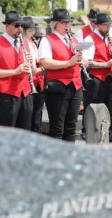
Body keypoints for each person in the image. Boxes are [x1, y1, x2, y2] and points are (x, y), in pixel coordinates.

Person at [38, 8, 88, 142]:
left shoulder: (75, 41)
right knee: (57, 127)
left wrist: (82, 58)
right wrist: (68, 62)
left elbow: (86, 63)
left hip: (75, 86)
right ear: (55, 24)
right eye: (64, 23)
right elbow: (45, 62)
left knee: (71, 127)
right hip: (58, 87)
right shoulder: (47, 40)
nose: (67, 26)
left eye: (69, 23)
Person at [0, 11, 39, 129]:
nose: (20, 29)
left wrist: (31, 64)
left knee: (25, 132)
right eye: (16, 26)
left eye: (21, 26)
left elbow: (34, 71)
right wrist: (15, 71)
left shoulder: (25, 43)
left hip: (26, 93)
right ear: (7, 26)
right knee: (8, 132)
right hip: (7, 95)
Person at [82, 12, 112, 142]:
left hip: (110, 78)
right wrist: (106, 64)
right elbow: (87, 62)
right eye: (105, 26)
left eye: (109, 26)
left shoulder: (109, 37)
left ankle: (109, 137)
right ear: (97, 25)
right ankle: (94, 137)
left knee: (110, 109)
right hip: (96, 80)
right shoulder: (90, 39)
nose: (108, 28)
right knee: (95, 110)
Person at [27, 18, 47, 135]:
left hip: (39, 83)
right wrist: (43, 68)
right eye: (30, 31)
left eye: (33, 30)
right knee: (30, 115)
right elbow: (33, 70)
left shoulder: (34, 44)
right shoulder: (26, 45)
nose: (33, 33)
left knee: (37, 115)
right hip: (31, 83)